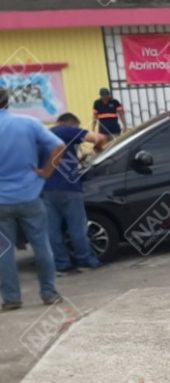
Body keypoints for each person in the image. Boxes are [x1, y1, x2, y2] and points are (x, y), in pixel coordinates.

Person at [0, 87, 67, 311]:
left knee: (4, 251)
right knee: (41, 245)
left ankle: (11, 299)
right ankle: (49, 293)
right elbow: (59, 146)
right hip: (30, 195)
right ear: (8, 101)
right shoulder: (28, 123)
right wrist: (47, 172)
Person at [43, 113, 106, 274]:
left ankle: (62, 264)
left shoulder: (44, 136)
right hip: (68, 188)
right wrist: (98, 148)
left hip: (46, 189)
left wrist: (76, 160)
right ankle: (85, 260)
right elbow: (99, 137)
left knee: (53, 229)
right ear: (70, 124)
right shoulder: (67, 130)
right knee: (77, 227)